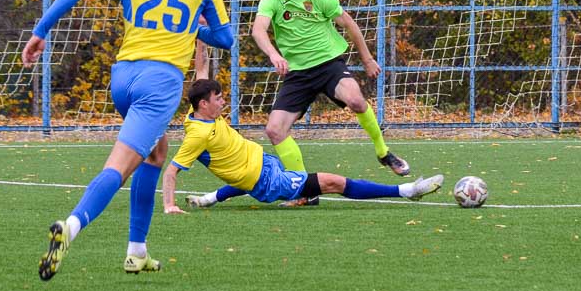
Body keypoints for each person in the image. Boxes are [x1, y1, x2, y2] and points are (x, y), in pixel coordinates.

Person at [21, 0, 233, 281]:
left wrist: (40, 32)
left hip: (123, 78)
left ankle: (137, 252)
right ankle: (70, 226)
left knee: (156, 153)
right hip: (160, 83)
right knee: (119, 167)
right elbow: (226, 38)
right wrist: (193, 30)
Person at [251, 0, 410, 206]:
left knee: (357, 101)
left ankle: (383, 152)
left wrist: (367, 59)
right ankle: (304, 191)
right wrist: (273, 54)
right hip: (298, 74)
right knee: (274, 130)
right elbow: (258, 29)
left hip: (328, 65)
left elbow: (349, 24)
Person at [161, 79, 443, 214]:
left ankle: (211, 198)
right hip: (268, 180)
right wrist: (170, 205)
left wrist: (199, 39)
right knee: (334, 182)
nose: (223, 101)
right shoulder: (197, 135)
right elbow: (171, 171)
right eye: (218, 98)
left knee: (245, 174)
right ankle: (407, 191)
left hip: (264, 164)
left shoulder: (198, 112)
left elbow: (200, 73)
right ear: (203, 105)